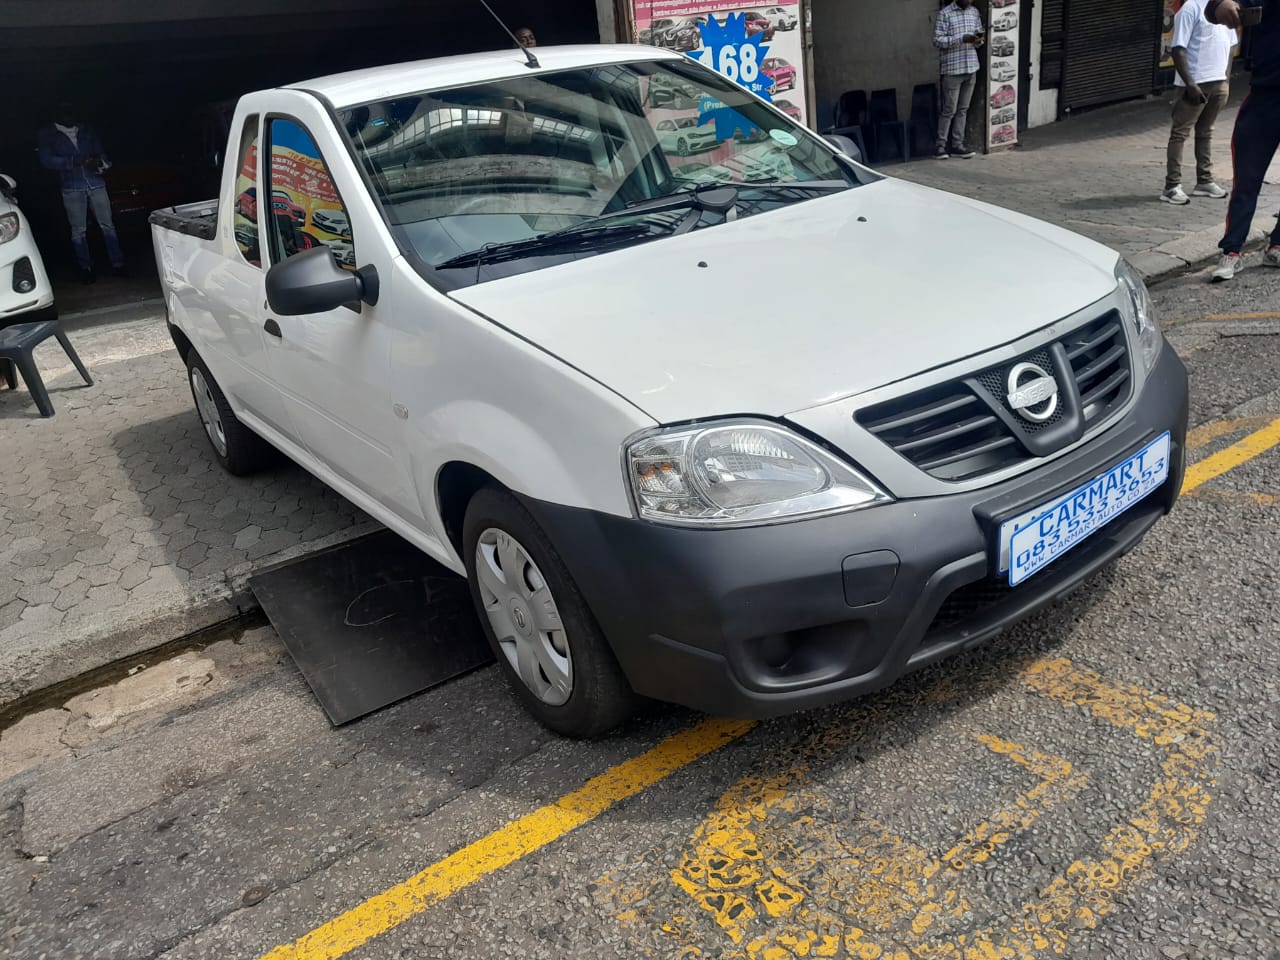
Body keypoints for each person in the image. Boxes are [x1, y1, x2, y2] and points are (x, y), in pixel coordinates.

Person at [1205, 0, 1280, 280]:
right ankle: (1231, 251)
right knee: (1246, 181)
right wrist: (1222, 6)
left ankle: (1277, 246)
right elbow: (1214, 8)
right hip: (1264, 96)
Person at [37, 102, 126, 283]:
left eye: (72, 112)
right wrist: (74, 161)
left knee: (107, 225)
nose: (70, 116)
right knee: (79, 230)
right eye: (66, 112)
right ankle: (86, 268)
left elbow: (102, 154)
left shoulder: (86, 130)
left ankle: (118, 264)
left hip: (95, 182)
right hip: (72, 186)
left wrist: (100, 163)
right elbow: (46, 160)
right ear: (57, 114)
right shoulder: (47, 134)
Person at [1161, 0, 1238, 205]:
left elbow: (1231, 46)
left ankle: (1204, 181)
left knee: (1206, 132)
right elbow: (1178, 49)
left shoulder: (1224, 7)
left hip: (1218, 82)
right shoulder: (1191, 8)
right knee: (1180, 133)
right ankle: (1172, 186)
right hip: (1195, 83)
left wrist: (1226, 79)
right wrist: (1191, 84)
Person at [933, 0, 985, 159]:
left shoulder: (974, 12)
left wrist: (978, 40)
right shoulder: (945, 13)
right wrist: (961, 39)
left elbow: (978, 38)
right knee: (949, 110)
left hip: (971, 67)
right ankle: (940, 146)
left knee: (963, 109)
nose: (969, 0)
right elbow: (937, 40)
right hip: (953, 69)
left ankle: (957, 144)